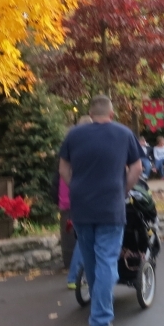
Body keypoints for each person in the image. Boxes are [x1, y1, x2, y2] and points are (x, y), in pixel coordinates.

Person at [59, 96, 143, 326]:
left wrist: (75, 187)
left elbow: (63, 169)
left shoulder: (74, 135)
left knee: (91, 260)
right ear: (112, 114)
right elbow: (136, 167)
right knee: (107, 260)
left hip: (82, 207)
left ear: (90, 113)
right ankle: (100, 321)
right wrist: (123, 189)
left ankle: (99, 313)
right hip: (110, 206)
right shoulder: (123, 133)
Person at [57, 115, 92, 290]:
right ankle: (74, 276)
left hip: (68, 199)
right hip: (76, 200)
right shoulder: (80, 146)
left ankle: (77, 275)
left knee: (82, 238)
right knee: (83, 239)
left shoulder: (69, 144)